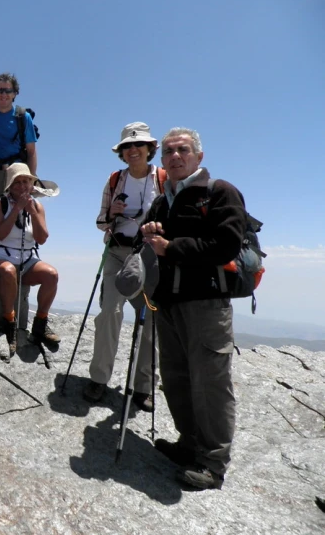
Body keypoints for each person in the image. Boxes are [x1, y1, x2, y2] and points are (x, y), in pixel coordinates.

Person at [140, 127, 246, 490]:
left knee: (210, 383)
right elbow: (154, 243)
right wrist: (150, 232)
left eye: (182, 150)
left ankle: (213, 463)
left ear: (198, 157)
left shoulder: (219, 193)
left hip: (206, 302)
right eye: (168, 152)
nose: (174, 156)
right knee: (176, 377)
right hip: (168, 302)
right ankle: (189, 445)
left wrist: (171, 247)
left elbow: (226, 245)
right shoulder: (162, 200)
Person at [84, 122, 165, 411]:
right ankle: (99, 378)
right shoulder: (116, 179)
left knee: (150, 318)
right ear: (122, 152)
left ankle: (144, 386)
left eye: (138, 145)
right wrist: (110, 213)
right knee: (109, 312)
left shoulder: (163, 179)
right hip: (118, 252)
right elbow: (100, 222)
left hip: (149, 256)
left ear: (149, 149)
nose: (133, 150)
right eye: (127, 146)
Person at [0, 163, 60, 357]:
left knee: (51, 275)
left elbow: (42, 238)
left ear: (32, 185)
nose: (23, 186)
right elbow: (0, 233)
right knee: (8, 271)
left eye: (27, 181)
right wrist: (17, 209)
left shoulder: (37, 206)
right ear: (10, 186)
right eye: (18, 182)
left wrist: (31, 211)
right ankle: (10, 322)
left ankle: (40, 323)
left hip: (26, 259)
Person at [0, 73, 38, 201]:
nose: (3, 94)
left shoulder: (23, 117)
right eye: (0, 90)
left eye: (8, 90)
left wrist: (31, 180)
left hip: (18, 174)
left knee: (18, 216)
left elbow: (31, 152)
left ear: (15, 93)